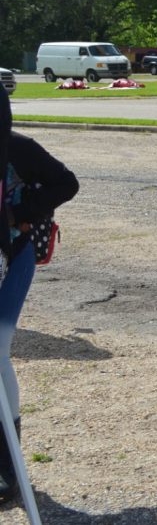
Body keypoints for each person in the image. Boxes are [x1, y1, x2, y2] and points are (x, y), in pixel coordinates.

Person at [0, 105, 78, 501]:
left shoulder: (18, 148)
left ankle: (7, 466)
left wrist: (21, 212)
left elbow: (66, 183)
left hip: (12, 257)